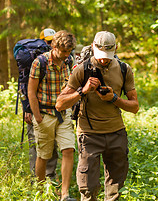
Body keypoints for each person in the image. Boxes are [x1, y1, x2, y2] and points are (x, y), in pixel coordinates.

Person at [56, 31, 139, 200]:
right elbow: (60, 104)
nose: (103, 60)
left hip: (116, 133)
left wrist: (114, 98)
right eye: (100, 55)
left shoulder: (124, 69)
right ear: (93, 47)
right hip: (89, 135)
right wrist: (82, 91)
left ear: (116, 49)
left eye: (107, 55)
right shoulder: (81, 69)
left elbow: (135, 107)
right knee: (88, 189)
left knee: (116, 189)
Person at [28, 30, 77, 201]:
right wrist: (37, 117)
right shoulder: (39, 63)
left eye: (69, 51)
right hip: (44, 114)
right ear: (54, 47)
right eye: (63, 51)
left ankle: (65, 194)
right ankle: (41, 193)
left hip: (64, 113)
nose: (66, 55)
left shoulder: (69, 61)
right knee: (43, 155)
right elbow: (31, 92)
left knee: (69, 150)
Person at [25, 28, 59, 182]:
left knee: (52, 144)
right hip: (35, 109)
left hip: (53, 110)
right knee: (37, 145)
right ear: (41, 41)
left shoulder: (59, 58)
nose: (51, 44)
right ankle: (36, 180)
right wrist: (29, 109)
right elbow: (26, 85)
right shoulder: (36, 59)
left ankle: (50, 178)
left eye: (53, 41)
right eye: (48, 41)